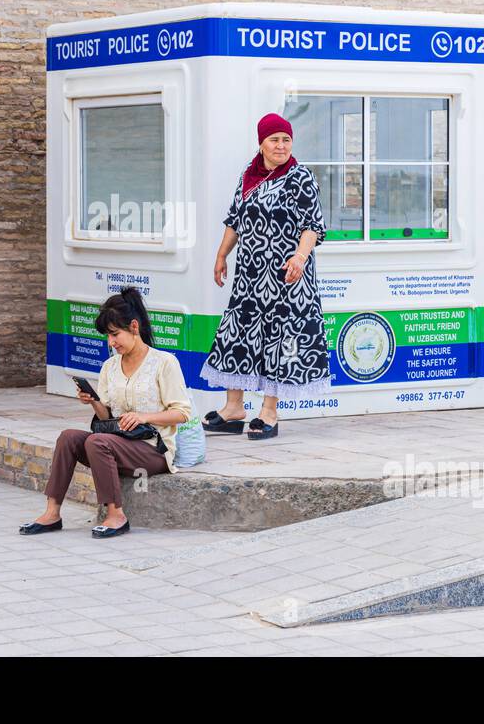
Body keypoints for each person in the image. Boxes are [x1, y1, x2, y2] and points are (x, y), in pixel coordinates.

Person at [20, 287, 192, 539]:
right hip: (116, 443)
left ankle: (116, 515)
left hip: (153, 449)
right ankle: (52, 513)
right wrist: (93, 401)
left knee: (98, 441)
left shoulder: (164, 362)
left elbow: (182, 413)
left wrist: (145, 416)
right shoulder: (109, 367)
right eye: (108, 337)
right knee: (68, 437)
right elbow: (106, 420)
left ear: (134, 327)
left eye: (115, 334)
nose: (111, 342)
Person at [200, 112, 331, 439]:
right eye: (274, 139)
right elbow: (235, 219)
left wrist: (300, 257)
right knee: (237, 336)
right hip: (250, 277)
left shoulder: (301, 177)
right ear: (261, 143)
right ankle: (233, 409)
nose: (281, 145)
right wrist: (220, 255)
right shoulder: (249, 176)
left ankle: (269, 413)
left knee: (280, 341)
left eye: (286, 139)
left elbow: (312, 226)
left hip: (287, 277)